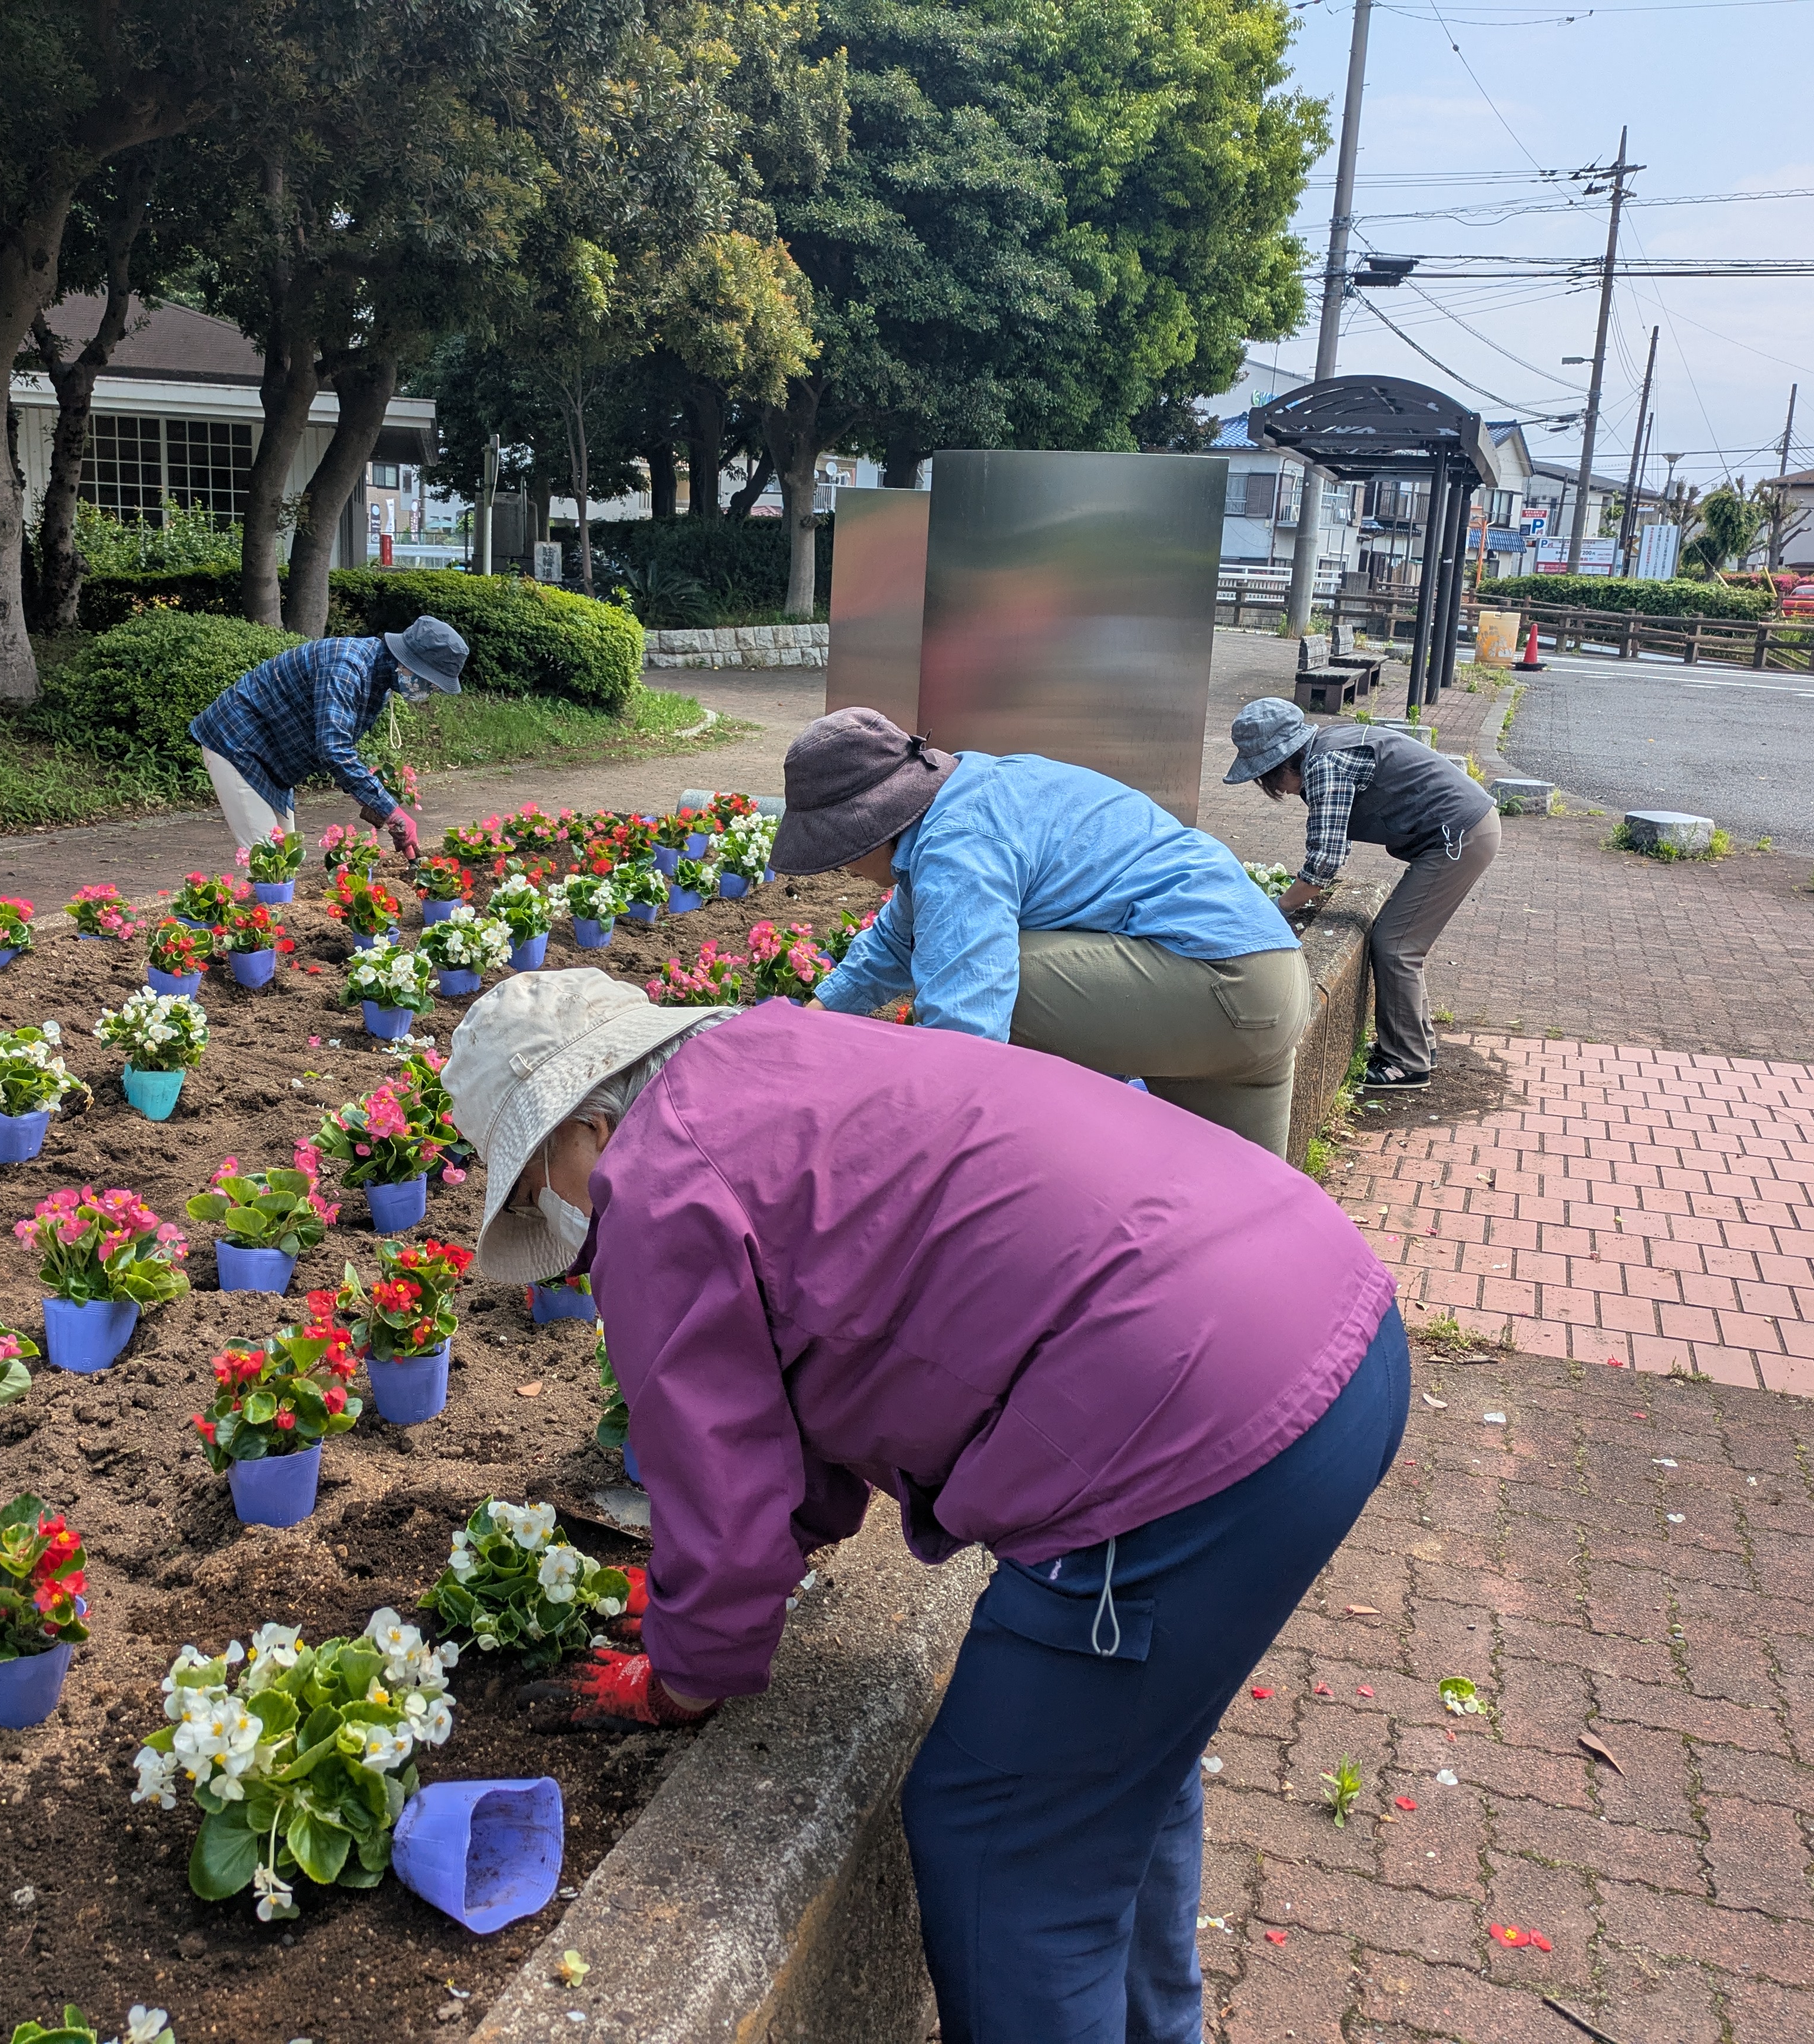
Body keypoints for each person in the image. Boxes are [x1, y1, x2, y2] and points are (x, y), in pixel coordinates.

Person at [446, 970, 1409, 2044]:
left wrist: (680, 1674)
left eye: (538, 1180)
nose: (560, 1218)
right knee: (1108, 1773)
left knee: (1002, 1834)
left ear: (588, 1122)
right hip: (1324, 1316)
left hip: (1186, 1432)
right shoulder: (769, 1056)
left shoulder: (656, 1183)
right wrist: (698, 1603)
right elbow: (789, 1420)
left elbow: (718, 1482)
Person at [772, 706, 1309, 1156]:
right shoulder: (971, 794)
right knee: (1243, 1201)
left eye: (836, 853)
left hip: (1218, 981)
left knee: (979, 980)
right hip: (1271, 982)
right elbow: (893, 941)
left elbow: (965, 1034)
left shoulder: (957, 843)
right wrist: (801, 1033)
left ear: (868, 826)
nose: (840, 868)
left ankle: (1045, 1166)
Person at [1224, 696, 1497, 1092]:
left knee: (1396, 945)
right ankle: (1418, 1047)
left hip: (1459, 837)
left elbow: (1325, 862)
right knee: (1401, 942)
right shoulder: (1329, 746)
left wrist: (1278, 907)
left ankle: (1406, 1063)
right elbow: (1331, 852)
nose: (1273, 788)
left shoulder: (1325, 764)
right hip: (1462, 830)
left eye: (1266, 775)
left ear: (1284, 762)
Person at [187, 615, 467, 860]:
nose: (430, 690)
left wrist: (374, 802)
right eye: (430, 682)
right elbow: (333, 749)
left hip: (273, 756)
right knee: (267, 865)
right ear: (409, 664)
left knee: (286, 857)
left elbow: (337, 745)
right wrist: (391, 812)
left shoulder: (378, 679)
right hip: (237, 742)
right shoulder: (347, 667)